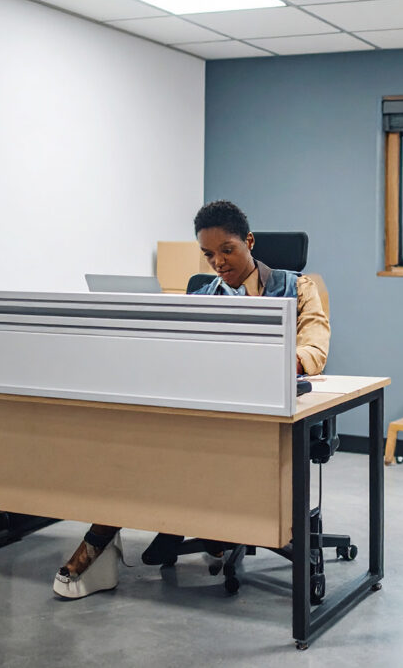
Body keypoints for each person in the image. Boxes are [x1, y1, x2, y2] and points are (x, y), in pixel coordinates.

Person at [53, 200, 330, 599]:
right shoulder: (203, 295)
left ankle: (170, 526)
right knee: (138, 436)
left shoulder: (297, 286)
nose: (217, 262)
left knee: (184, 446)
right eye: (208, 254)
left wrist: (270, 361)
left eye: (227, 250)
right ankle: (152, 526)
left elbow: (314, 351)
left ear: (249, 242)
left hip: (269, 412)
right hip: (210, 407)